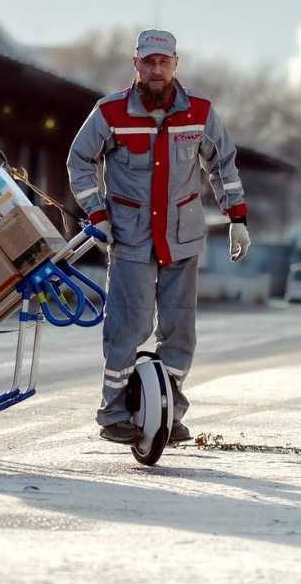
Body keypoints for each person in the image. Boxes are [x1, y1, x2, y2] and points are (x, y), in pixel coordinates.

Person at [66, 29, 250, 444]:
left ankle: (168, 411)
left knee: (180, 331)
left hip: (182, 239)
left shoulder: (200, 113)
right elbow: (80, 161)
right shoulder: (110, 112)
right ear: (136, 64)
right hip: (131, 238)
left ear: (175, 64)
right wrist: (97, 212)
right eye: (148, 61)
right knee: (127, 327)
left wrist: (237, 217)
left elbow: (223, 165)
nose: (156, 69)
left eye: (163, 62)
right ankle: (114, 413)